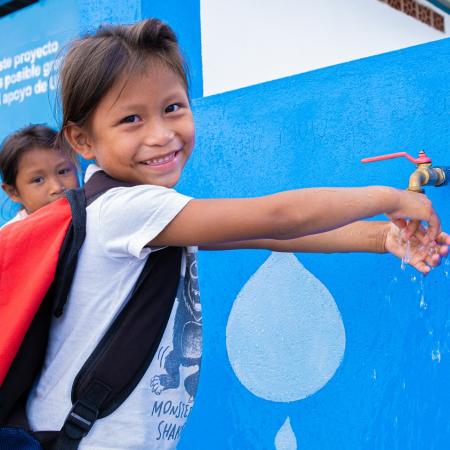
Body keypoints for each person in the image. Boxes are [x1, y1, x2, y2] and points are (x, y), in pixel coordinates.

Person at [24, 19, 450, 449]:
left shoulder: (145, 212)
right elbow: (278, 218)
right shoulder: (124, 210)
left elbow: (275, 238)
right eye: (131, 119)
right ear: (82, 140)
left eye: (172, 107)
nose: (161, 134)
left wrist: (382, 239)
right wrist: (388, 199)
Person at [0, 124, 79, 226]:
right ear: (13, 192)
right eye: (38, 180)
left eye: (63, 171)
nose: (57, 188)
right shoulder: (10, 238)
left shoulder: (94, 213)